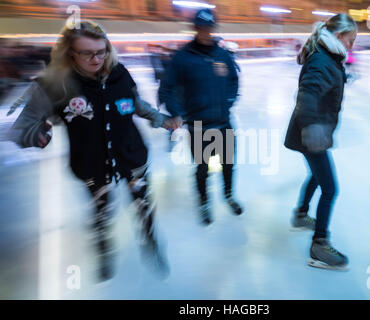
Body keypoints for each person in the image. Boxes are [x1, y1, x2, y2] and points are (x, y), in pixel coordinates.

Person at [9, 20, 180, 281]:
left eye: (101, 51)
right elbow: (19, 130)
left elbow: (134, 103)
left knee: (143, 203)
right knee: (101, 209)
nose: (96, 58)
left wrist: (160, 118)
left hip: (131, 155)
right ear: (70, 53)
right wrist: (38, 134)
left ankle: (150, 240)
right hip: (91, 162)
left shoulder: (119, 73)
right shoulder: (56, 85)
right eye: (87, 53)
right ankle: (104, 248)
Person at [284, 13, 357, 270]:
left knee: (317, 177)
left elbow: (323, 83)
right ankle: (319, 246)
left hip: (314, 132)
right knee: (330, 188)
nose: (352, 45)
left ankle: (301, 215)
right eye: (351, 40)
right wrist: (313, 128)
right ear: (338, 37)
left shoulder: (329, 57)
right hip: (311, 134)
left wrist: (344, 79)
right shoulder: (322, 60)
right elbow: (307, 96)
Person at [160, 8, 242, 225]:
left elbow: (234, 80)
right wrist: (178, 112)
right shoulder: (183, 57)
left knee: (229, 163)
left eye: (209, 27)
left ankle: (228, 195)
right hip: (199, 125)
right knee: (203, 168)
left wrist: (229, 100)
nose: (205, 32)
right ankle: (204, 201)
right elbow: (166, 89)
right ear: (195, 28)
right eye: (201, 27)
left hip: (224, 122)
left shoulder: (223, 54)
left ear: (213, 28)